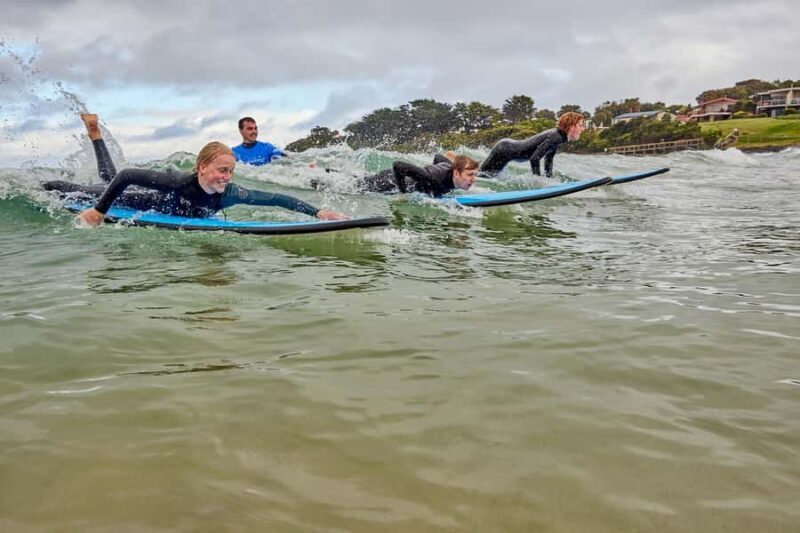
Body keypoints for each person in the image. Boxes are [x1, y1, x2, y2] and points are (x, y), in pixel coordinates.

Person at [43, 114, 347, 227]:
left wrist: (319, 213)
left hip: (164, 208)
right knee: (102, 183)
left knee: (108, 178)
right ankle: (51, 175)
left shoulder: (229, 193)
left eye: (230, 171)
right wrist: (98, 212)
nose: (226, 177)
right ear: (201, 168)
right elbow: (128, 176)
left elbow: (275, 198)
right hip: (137, 200)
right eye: (220, 170)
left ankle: (95, 135)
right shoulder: (178, 182)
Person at [315, 152, 479, 198]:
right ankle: (314, 180)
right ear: (456, 172)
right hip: (387, 182)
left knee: (358, 179)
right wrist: (403, 193)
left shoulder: (450, 167)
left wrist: (454, 159)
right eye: (470, 174)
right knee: (353, 187)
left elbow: (438, 157)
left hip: (392, 177)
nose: (473, 180)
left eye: (474, 175)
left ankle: (327, 170)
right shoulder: (433, 180)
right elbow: (398, 165)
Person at [479, 111, 586, 177]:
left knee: (489, 176)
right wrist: (538, 181)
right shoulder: (556, 137)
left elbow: (548, 160)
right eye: (581, 125)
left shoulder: (559, 137)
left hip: (507, 148)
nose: (583, 129)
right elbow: (534, 158)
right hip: (503, 150)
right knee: (482, 176)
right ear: (572, 126)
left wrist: (550, 180)